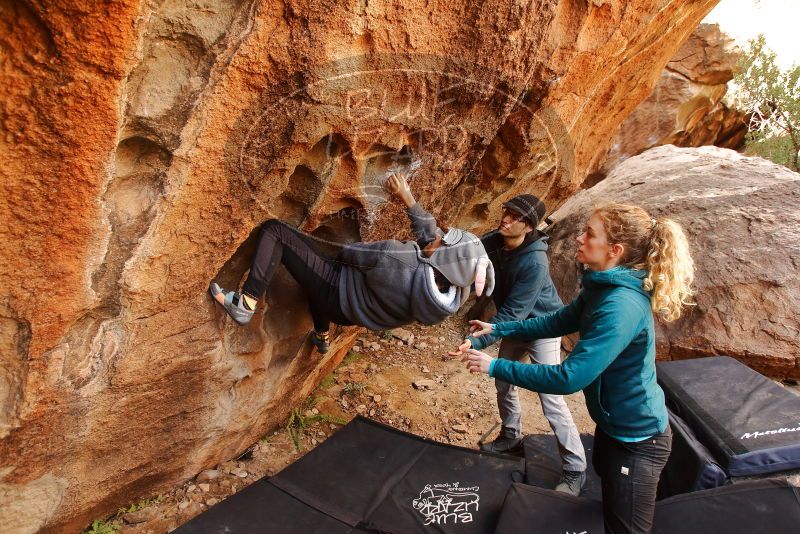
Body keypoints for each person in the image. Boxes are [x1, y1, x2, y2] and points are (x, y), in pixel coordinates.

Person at [460, 203, 695, 534]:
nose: (580, 238)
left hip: (639, 440)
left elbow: (569, 378)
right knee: (607, 497)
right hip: (612, 427)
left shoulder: (620, 306)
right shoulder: (601, 287)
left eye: (591, 234)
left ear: (614, 250)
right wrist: (499, 330)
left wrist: (495, 365)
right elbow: (559, 320)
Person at [210, 171, 494, 353]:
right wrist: (408, 199)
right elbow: (430, 244)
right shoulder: (454, 291)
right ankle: (322, 337)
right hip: (352, 315)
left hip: (336, 291)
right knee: (315, 287)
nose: (440, 236)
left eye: (443, 241)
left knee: (276, 231)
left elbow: (350, 254)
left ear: (440, 256)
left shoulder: (399, 258)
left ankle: (245, 303)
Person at [448, 194, 587, 496]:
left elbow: (512, 314)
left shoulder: (534, 262)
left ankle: (576, 468)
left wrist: (474, 340)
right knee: (503, 382)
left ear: (528, 226)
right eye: (506, 212)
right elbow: (463, 250)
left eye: (514, 217)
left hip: (543, 327)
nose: (505, 220)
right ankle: (511, 434)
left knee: (550, 398)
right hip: (513, 325)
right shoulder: (496, 241)